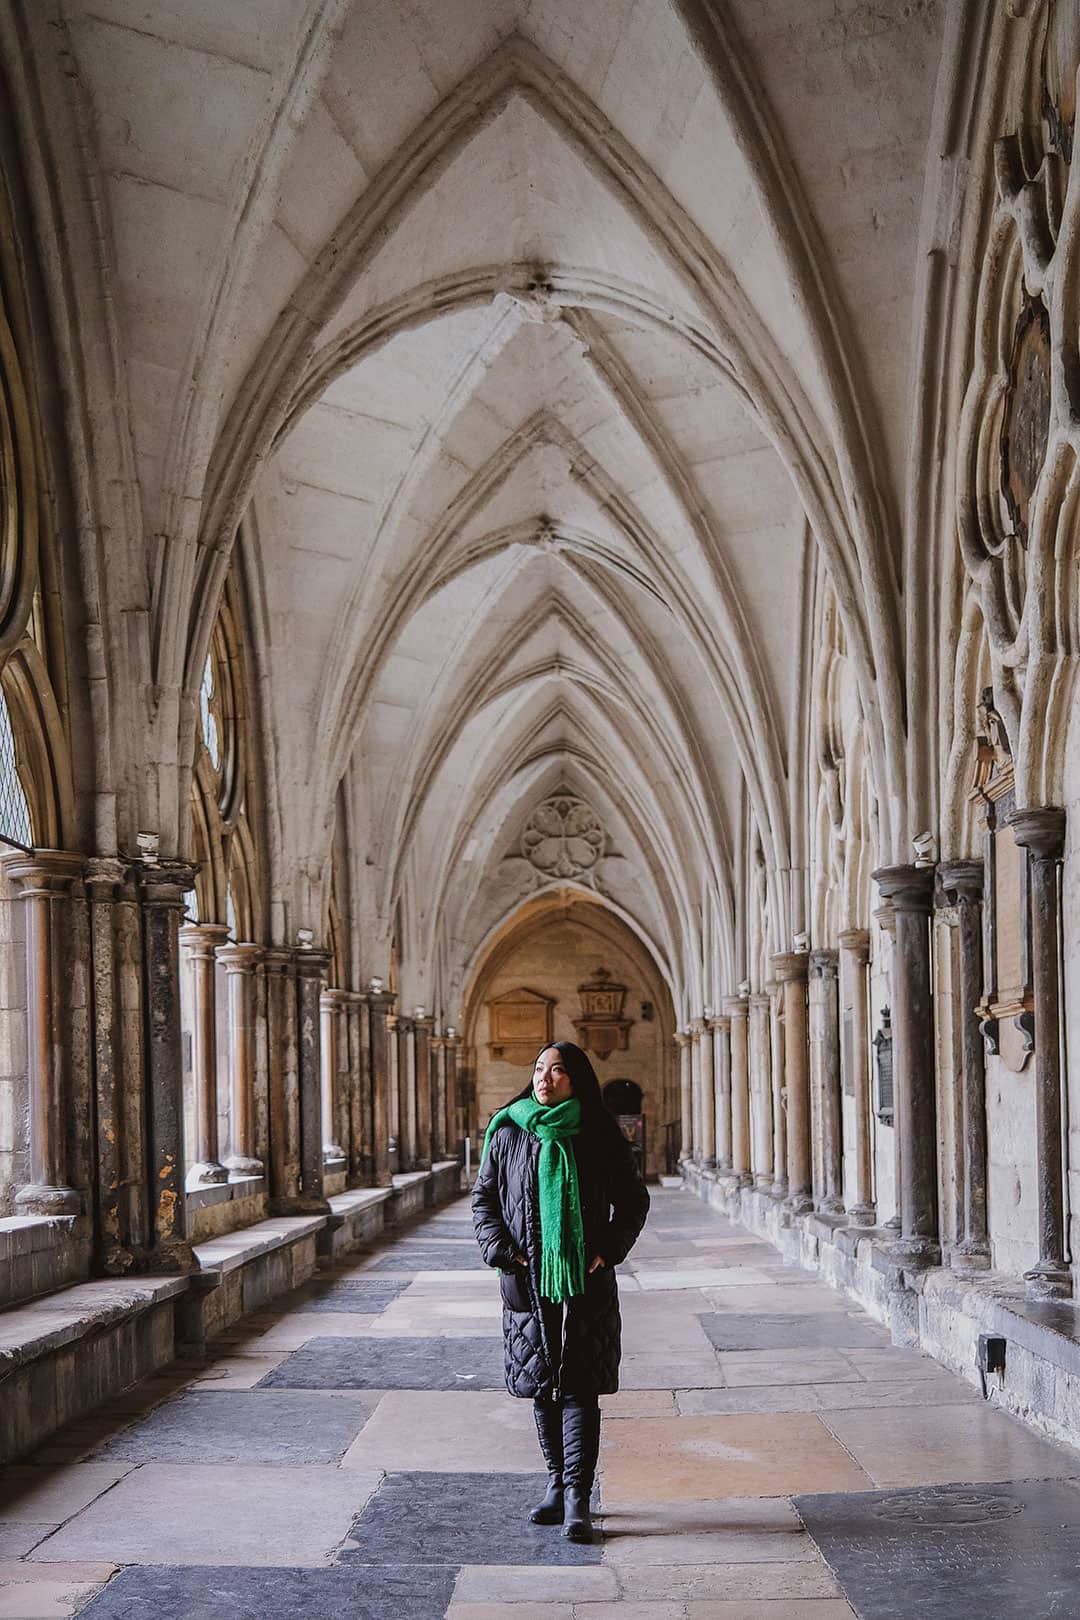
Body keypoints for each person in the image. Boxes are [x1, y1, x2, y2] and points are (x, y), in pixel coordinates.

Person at [471, 1041, 650, 1542]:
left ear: (578, 1080)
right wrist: (502, 1249)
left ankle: (577, 1493)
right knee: (541, 1384)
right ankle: (554, 1481)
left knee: (579, 1386)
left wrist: (608, 1249)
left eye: (557, 1072)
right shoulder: (508, 1130)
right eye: (538, 1070)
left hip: (583, 1280)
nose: (544, 1079)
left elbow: (633, 1199)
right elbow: (483, 1199)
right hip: (526, 1280)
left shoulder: (598, 1134)